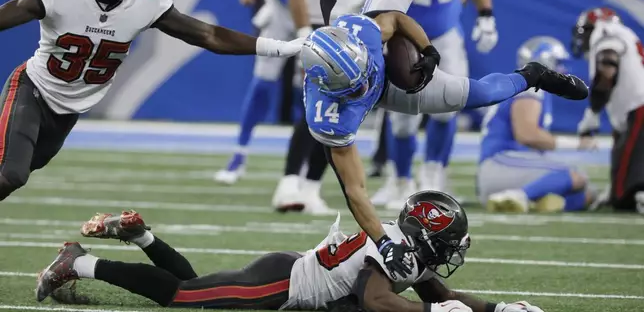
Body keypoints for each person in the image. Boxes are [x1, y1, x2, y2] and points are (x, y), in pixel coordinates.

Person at [299, 0, 588, 281]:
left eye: (365, 71)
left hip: (406, 48)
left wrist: (428, 49)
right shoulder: (330, 117)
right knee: (412, 122)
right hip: (392, 91)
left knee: (481, 91)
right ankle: (401, 176)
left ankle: (535, 75)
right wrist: (385, 243)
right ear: (334, 87)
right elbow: (355, 190)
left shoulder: (366, 30)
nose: (365, 80)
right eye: (357, 81)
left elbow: (397, 19)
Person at [0, 0, 302, 201]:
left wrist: (279, 47)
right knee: (11, 173)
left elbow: (208, 35)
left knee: (13, 176)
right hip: (33, 89)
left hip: (70, 109)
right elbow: (13, 11)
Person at [37, 191, 545, 312]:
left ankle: (143, 237)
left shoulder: (411, 250)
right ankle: (78, 262)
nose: (451, 250)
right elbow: (375, 299)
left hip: (285, 275)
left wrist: (496, 309)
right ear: (427, 233)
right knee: (181, 297)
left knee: (196, 289)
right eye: (449, 240)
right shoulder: (396, 247)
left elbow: (436, 293)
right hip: (277, 286)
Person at [372, 0, 497, 209]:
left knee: (449, 106)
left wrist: (486, 15)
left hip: (446, 36)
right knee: (403, 118)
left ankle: (433, 176)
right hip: (406, 41)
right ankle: (400, 181)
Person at [269, 0, 385, 215]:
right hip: (323, 32)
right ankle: (289, 183)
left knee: (341, 113)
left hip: (354, 35)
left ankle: (311, 188)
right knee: (314, 108)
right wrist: (306, 38)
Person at [214, 0, 305, 185]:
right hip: (281, 7)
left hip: (313, 13)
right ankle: (239, 154)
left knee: (308, 90)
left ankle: (302, 162)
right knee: (262, 82)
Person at [478, 36, 594, 213]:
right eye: (558, 63)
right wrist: (576, 144)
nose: (563, 70)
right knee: (574, 176)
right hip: (501, 163)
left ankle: (532, 200)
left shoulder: (525, 87)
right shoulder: (531, 87)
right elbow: (527, 134)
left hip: (507, 169)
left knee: (585, 195)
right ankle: (519, 196)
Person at [573, 7, 644, 213]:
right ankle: (619, 191)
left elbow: (608, 66)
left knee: (625, 197)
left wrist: (593, 112)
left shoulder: (604, 32)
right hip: (634, 106)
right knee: (620, 189)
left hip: (639, 106)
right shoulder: (626, 34)